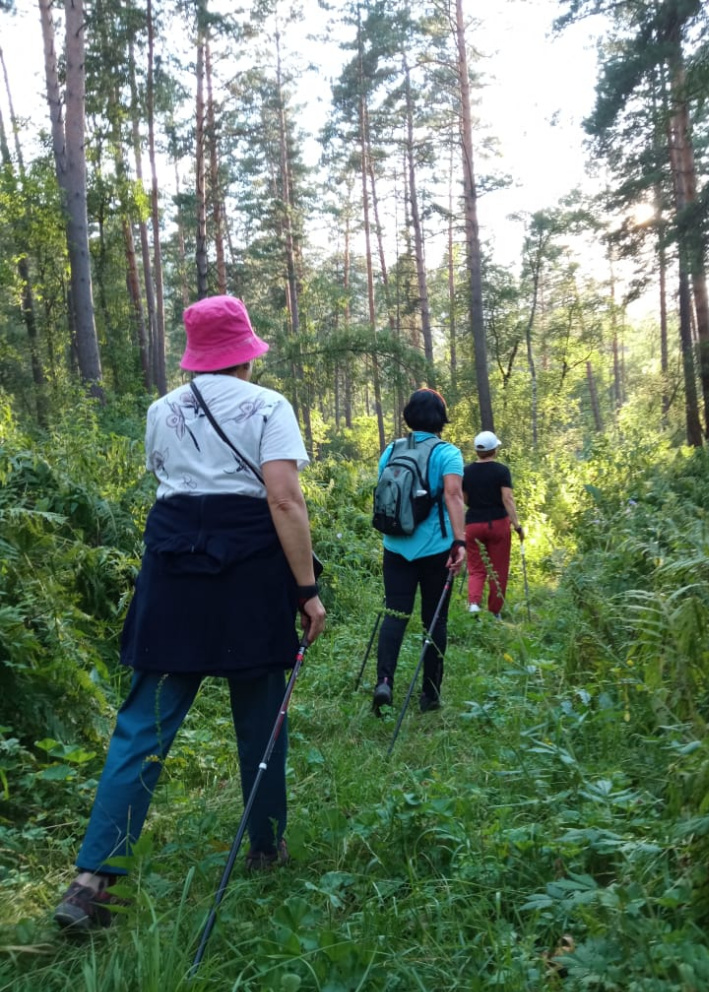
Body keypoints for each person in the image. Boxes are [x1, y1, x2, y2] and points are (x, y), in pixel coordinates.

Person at [53, 294, 326, 931]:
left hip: (174, 571)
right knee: (260, 717)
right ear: (245, 353)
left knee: (143, 726)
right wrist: (307, 590)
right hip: (249, 575)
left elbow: (168, 480)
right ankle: (265, 846)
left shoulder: (160, 410)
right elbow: (284, 501)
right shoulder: (269, 407)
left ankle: (93, 880)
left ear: (198, 354)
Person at [372, 389, 466, 715]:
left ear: (408, 416)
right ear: (441, 418)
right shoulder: (447, 453)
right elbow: (454, 497)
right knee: (435, 619)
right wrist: (460, 542)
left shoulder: (392, 449)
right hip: (436, 551)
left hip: (395, 547)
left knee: (395, 614)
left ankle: (384, 681)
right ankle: (430, 693)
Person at [462, 430, 523, 618]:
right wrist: (517, 525)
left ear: (477, 451)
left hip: (473, 525)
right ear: (494, 450)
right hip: (498, 524)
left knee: (475, 567)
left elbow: (464, 499)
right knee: (498, 568)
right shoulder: (501, 471)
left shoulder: (466, 471)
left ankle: (474, 603)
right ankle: (494, 611)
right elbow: (508, 499)